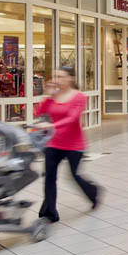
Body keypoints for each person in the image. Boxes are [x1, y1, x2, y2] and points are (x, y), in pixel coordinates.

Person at [35, 65, 100, 222]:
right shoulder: (54, 96)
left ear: (71, 78)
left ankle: (93, 192)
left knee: (74, 175)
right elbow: (38, 112)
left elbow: (72, 118)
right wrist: (47, 95)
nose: (57, 80)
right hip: (53, 143)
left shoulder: (79, 96)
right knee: (50, 177)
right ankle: (49, 212)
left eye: (61, 76)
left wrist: (51, 126)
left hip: (74, 144)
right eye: (56, 76)